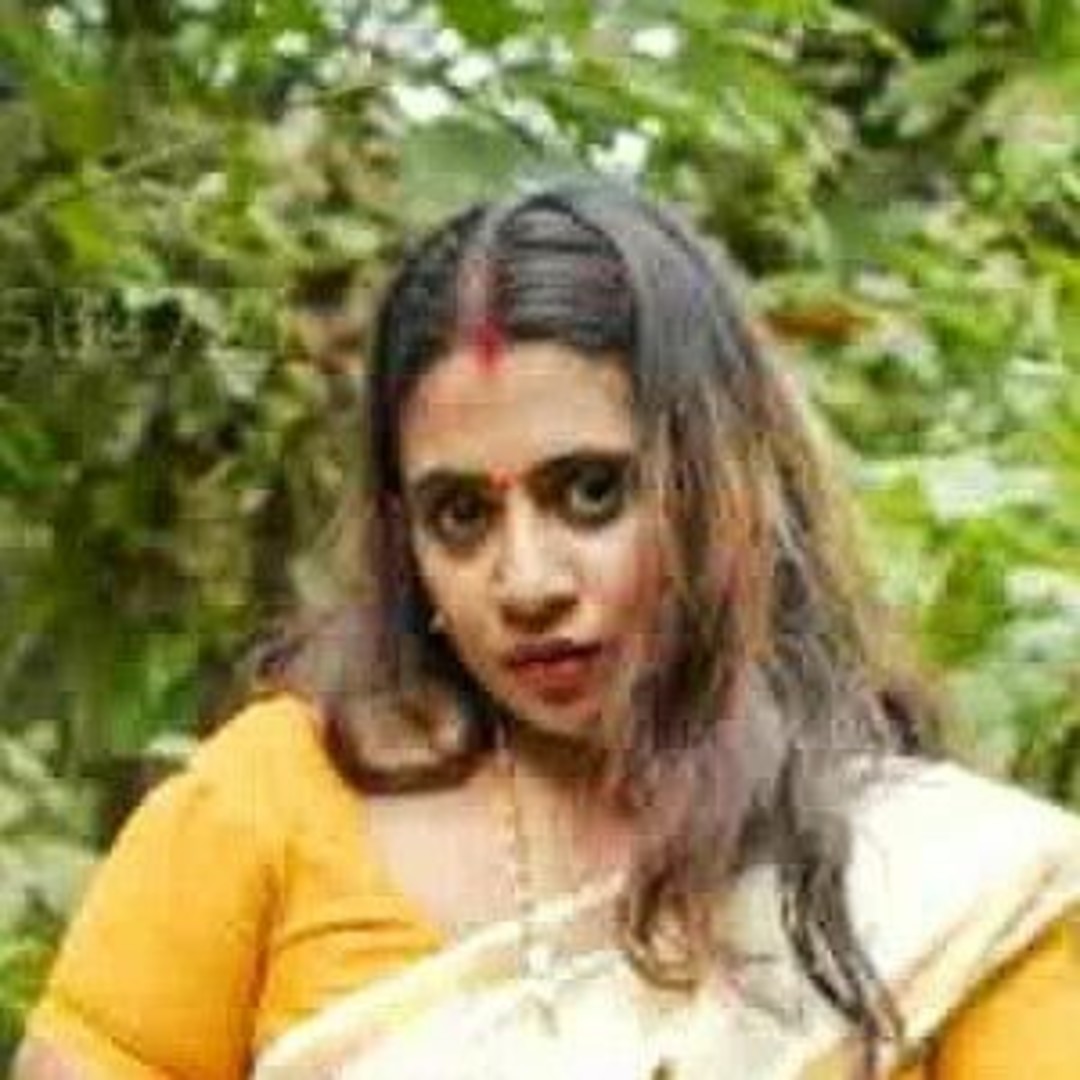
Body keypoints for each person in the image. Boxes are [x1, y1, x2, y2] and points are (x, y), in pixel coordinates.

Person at [15, 178, 1080, 1079]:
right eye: (460, 516)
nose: (525, 583)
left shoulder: (941, 886)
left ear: (724, 486)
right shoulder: (270, 805)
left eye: (591, 493)